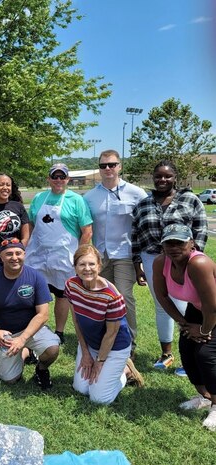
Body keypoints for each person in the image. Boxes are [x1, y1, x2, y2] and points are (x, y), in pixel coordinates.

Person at [132, 160, 207, 371]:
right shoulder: (143, 204)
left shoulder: (190, 200)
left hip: (184, 260)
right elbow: (135, 235)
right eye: (158, 176)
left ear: (175, 177)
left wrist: (192, 259)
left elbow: (200, 230)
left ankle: (190, 355)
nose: (162, 180)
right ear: (153, 178)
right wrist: (138, 264)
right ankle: (167, 354)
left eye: (167, 176)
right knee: (162, 306)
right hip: (152, 258)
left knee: (186, 305)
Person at [83, 150, 147, 357]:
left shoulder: (136, 193)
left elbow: (146, 223)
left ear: (120, 166)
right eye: (103, 166)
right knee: (101, 298)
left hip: (124, 254)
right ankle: (105, 338)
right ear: (99, 169)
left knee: (123, 296)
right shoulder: (90, 197)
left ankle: (129, 344)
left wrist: (143, 257)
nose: (108, 169)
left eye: (112, 164)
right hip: (99, 257)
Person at [0, 238, 60, 389]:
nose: (14, 257)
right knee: (10, 379)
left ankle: (41, 369)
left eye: (18, 253)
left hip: (32, 330)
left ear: (24, 255)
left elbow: (43, 314)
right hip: (6, 335)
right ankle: (26, 352)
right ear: (1, 257)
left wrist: (23, 339)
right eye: (9, 254)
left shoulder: (36, 276)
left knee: (52, 349)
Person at [152, 224, 216, 430]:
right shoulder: (161, 262)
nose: (174, 247)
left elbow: (212, 307)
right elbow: (162, 295)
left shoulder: (199, 264)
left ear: (192, 243)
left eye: (179, 242)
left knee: (206, 354)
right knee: (187, 351)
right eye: (168, 243)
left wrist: (204, 331)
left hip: (213, 309)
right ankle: (204, 396)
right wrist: (184, 323)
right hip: (198, 308)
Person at [65, 244, 144, 405]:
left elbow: (111, 333)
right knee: (81, 389)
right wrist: (86, 353)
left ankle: (125, 371)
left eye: (92, 264)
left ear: (99, 266)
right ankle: (109, 371)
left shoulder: (112, 295)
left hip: (114, 347)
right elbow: (76, 321)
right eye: (82, 264)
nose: (87, 269)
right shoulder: (71, 285)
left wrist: (99, 362)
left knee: (99, 399)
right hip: (90, 344)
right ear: (75, 267)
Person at [25, 163, 93, 344]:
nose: (58, 180)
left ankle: (59, 332)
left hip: (64, 257)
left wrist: (79, 256)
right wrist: (25, 247)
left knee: (62, 294)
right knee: (36, 295)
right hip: (38, 256)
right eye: (54, 177)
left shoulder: (76, 200)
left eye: (62, 177)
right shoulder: (39, 198)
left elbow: (87, 231)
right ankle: (37, 330)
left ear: (68, 179)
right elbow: (31, 225)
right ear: (49, 179)